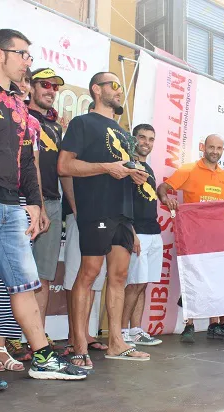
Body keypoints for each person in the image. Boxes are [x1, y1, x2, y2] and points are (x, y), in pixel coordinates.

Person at [0, 28, 88, 391]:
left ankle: (42, 356)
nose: (27, 62)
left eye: (28, 55)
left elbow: (26, 160)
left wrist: (35, 204)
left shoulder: (18, 105)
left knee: (25, 282)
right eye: (22, 54)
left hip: (13, 206)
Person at [57, 71, 151, 367]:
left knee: (119, 277)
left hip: (123, 212)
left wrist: (134, 175)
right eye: (114, 85)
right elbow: (64, 166)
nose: (119, 91)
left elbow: (121, 169)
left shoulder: (124, 133)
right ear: (97, 90)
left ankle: (116, 343)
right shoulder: (82, 123)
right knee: (89, 273)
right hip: (96, 208)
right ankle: (79, 344)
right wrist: (107, 167)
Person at [156, 134, 224, 342]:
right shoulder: (189, 170)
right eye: (211, 147)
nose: (215, 151)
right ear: (203, 147)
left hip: (216, 239)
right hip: (192, 237)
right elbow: (163, 188)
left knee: (216, 280)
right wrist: (166, 199)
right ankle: (189, 326)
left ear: (223, 151)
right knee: (192, 280)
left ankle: (216, 325)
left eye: (218, 148)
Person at [0, 70, 42, 373]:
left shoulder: (31, 121)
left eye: (28, 82)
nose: (24, 86)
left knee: (10, 281)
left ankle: (0, 345)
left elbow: (32, 166)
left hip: (19, 203)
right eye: (21, 80)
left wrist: (37, 204)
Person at [60, 102, 109, 357]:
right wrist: (76, 207)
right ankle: (74, 336)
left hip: (101, 216)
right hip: (81, 215)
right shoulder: (79, 129)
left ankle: (85, 333)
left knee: (92, 278)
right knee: (76, 278)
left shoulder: (106, 143)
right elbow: (65, 172)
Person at [26, 68, 65, 332]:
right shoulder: (19, 115)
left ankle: (37, 338)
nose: (51, 90)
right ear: (31, 87)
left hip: (52, 203)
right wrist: (36, 203)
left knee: (43, 276)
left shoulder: (56, 126)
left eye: (55, 87)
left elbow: (62, 170)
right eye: (45, 85)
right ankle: (8, 338)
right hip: (24, 202)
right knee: (13, 276)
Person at [121, 124, 164, 346]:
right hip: (137, 233)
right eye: (142, 137)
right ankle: (121, 332)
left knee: (143, 283)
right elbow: (123, 202)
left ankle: (136, 330)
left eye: (151, 139)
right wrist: (132, 233)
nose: (146, 142)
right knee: (133, 284)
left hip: (154, 231)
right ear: (133, 139)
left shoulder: (149, 168)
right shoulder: (127, 166)